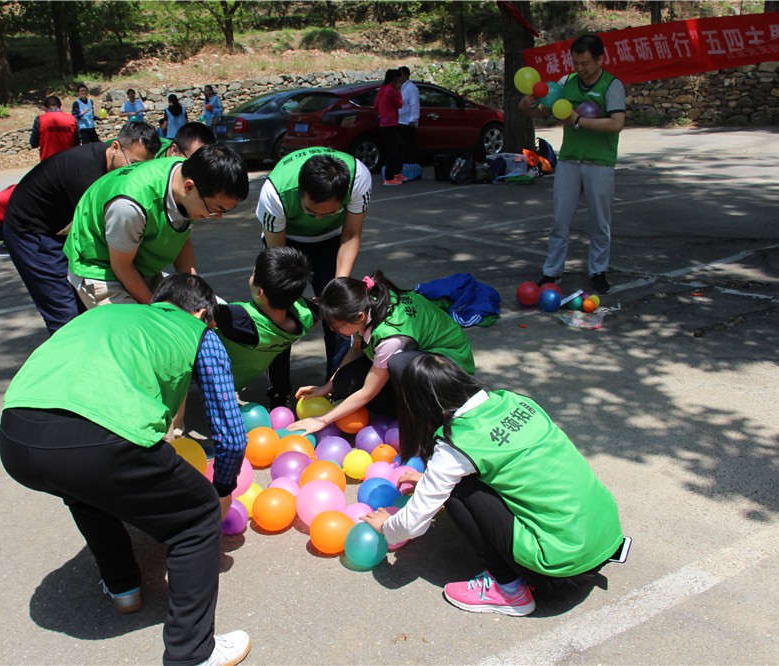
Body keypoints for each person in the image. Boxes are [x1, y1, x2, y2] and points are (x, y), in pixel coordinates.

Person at [0, 273, 252, 666]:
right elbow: (232, 437)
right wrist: (220, 490)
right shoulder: (198, 331)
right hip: (98, 439)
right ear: (203, 313)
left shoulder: (104, 317)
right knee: (197, 515)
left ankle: (123, 589)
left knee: (84, 490)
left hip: (17, 437)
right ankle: (192, 653)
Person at [361, 353, 624, 617]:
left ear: (417, 405)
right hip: (603, 538)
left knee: (458, 490)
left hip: (559, 567)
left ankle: (508, 590)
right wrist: (430, 481)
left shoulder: (458, 441)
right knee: (463, 479)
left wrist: (386, 527)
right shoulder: (512, 401)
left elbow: (411, 525)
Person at [4, 122, 160, 335]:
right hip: (31, 232)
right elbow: (103, 237)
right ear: (115, 147)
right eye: (132, 163)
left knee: (83, 301)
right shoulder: (85, 176)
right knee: (65, 313)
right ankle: (68, 359)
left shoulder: (113, 166)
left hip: (60, 228)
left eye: (142, 167)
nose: (134, 171)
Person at [64, 144, 249, 309]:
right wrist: (157, 311)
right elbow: (122, 268)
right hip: (102, 266)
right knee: (143, 331)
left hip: (137, 260)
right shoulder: (130, 206)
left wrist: (195, 289)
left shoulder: (189, 176)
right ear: (189, 187)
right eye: (216, 209)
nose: (217, 217)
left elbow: (181, 235)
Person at [255, 147, 372, 407]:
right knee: (279, 313)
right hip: (288, 243)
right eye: (311, 211)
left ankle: (337, 386)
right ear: (300, 193)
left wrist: (335, 291)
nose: (319, 218)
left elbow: (351, 234)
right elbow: (278, 257)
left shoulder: (358, 178)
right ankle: (279, 390)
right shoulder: (275, 193)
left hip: (333, 240)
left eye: (329, 212)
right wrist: (292, 303)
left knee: (340, 315)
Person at [288, 271, 474, 432]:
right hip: (425, 356)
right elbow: (357, 347)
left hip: (450, 373)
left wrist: (322, 419)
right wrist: (328, 386)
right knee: (344, 383)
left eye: (337, 326)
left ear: (359, 317)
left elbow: (368, 392)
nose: (334, 330)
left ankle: (428, 417)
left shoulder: (389, 339)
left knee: (390, 372)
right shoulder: (370, 300)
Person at [518, 34, 626, 295]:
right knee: (559, 220)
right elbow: (544, 110)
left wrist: (579, 121)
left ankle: (598, 271)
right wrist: (526, 105)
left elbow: (616, 123)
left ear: (600, 58)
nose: (580, 68)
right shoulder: (567, 82)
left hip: (599, 163)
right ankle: (552, 272)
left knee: (600, 222)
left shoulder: (612, 86)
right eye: (576, 63)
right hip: (569, 160)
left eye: (585, 63)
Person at [215, 246, 317, 394]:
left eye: (253, 273)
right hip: (260, 359)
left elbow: (200, 308)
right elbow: (319, 311)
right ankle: (280, 395)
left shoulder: (239, 319)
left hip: (223, 381)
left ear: (260, 292)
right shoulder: (306, 315)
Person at [376, 68, 404, 187]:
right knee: (395, 150)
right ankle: (389, 177)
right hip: (391, 123)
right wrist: (398, 91)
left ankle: (396, 173)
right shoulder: (391, 90)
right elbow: (400, 104)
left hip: (384, 123)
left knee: (396, 147)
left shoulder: (382, 90)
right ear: (395, 79)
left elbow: (376, 105)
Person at [30, 95, 77, 161]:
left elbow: (33, 143)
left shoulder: (40, 120)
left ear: (45, 108)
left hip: (48, 162)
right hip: (68, 161)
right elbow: (76, 142)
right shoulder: (72, 119)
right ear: (60, 106)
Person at [397, 66, 420, 171]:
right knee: (401, 146)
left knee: (409, 145)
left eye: (400, 75)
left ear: (405, 75)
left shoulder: (411, 88)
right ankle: (403, 166)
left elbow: (414, 104)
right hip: (399, 120)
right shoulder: (400, 87)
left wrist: (413, 119)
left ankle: (411, 166)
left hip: (407, 121)